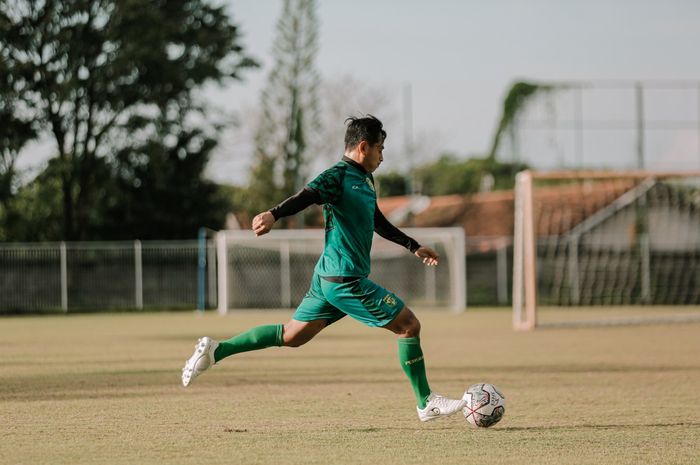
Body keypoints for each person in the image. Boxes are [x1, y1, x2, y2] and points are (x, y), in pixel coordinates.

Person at [182, 115, 465, 421]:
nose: (382, 156)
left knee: (292, 336)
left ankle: (215, 350)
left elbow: (376, 220)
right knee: (409, 325)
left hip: (329, 277)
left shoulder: (366, 180)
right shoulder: (338, 175)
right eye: (380, 149)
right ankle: (425, 402)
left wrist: (413, 245)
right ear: (363, 146)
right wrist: (274, 214)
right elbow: (307, 195)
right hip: (344, 279)